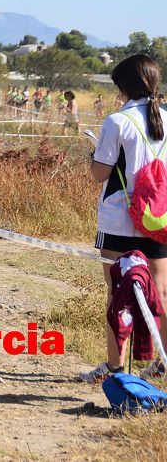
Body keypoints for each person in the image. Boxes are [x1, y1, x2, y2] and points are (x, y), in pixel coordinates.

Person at [81, 55, 167, 384]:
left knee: (118, 294)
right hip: (159, 217)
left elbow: (99, 173)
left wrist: (94, 155)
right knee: (160, 291)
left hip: (120, 219)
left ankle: (115, 368)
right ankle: (162, 363)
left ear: (123, 87)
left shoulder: (117, 122)